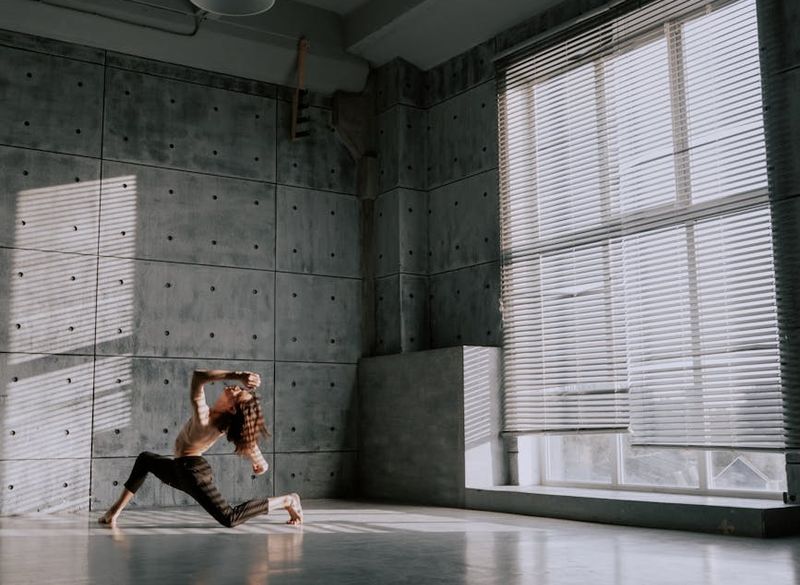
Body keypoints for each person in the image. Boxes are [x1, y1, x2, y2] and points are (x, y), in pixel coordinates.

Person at [98, 369, 303, 527]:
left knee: (230, 518)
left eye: (239, 392)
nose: (236, 387)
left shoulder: (204, 417)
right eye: (239, 387)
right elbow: (246, 440)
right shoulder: (223, 423)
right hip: (180, 469)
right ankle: (113, 513)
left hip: (193, 472)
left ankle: (287, 500)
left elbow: (198, 377)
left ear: (232, 408)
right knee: (145, 459)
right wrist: (260, 462)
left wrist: (238, 375)